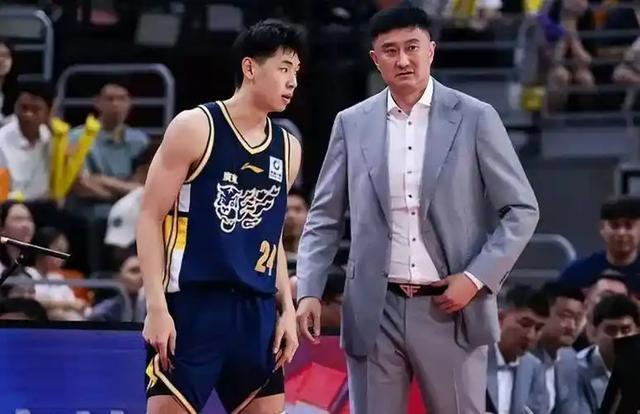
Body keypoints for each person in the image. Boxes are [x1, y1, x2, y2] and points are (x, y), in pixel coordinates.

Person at [295, 6, 539, 413]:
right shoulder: (351, 123)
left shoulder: (476, 117)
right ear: (375, 59)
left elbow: (522, 210)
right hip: (374, 308)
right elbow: (323, 218)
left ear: (431, 51)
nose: (403, 60)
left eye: (412, 47)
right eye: (390, 50)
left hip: (451, 305)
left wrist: (476, 278)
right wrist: (308, 290)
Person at [137, 19, 305, 414]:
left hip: (257, 313)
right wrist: (156, 306)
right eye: (284, 68)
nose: (293, 81)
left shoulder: (288, 148)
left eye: (296, 71)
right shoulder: (195, 127)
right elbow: (149, 217)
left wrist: (286, 310)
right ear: (250, 68)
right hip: (193, 306)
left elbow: (271, 238)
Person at [487, 285, 549, 414]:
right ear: (500, 318)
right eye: (525, 324)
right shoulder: (472, 359)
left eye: (538, 328)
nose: (530, 335)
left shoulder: (534, 367)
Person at [558, 195, 640, 293]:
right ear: (602, 228)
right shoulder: (577, 273)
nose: (621, 233)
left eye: (628, 226)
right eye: (614, 226)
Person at [577, 294, 639, 413]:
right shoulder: (575, 370)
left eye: (626, 330)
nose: (619, 337)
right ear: (594, 332)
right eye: (611, 330)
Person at [532, 283, 585, 414]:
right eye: (565, 316)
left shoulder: (570, 357)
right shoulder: (523, 354)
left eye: (577, 318)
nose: (571, 326)